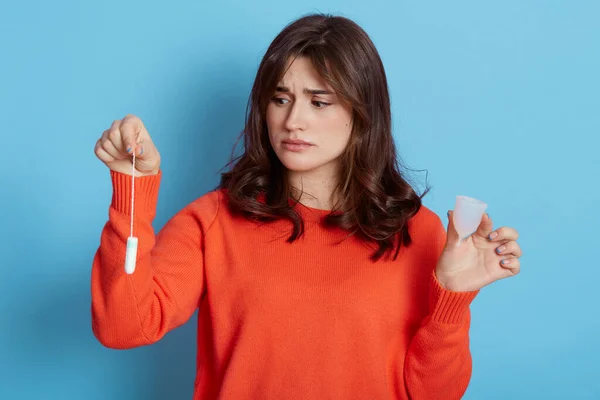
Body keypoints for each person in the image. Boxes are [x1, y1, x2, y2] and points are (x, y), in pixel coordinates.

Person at [91, 13, 522, 400]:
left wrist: (453, 298)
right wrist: (133, 191)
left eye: (319, 102)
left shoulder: (421, 233)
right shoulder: (213, 221)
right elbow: (123, 326)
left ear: (361, 112)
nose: (293, 119)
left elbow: (435, 395)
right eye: (280, 99)